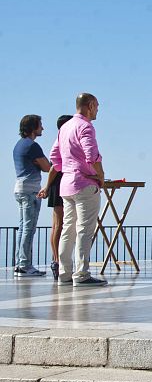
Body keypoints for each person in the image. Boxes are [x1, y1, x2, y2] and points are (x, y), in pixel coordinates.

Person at [49, 93, 106, 286]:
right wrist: (100, 175)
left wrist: (67, 168)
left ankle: (64, 273)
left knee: (68, 230)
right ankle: (81, 274)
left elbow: (55, 157)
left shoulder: (65, 127)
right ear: (89, 105)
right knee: (84, 230)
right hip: (84, 184)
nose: (98, 109)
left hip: (66, 184)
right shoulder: (85, 126)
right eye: (97, 106)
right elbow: (92, 155)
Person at [13, 114, 50, 276]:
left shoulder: (19, 145)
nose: (42, 128)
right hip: (30, 191)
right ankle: (25, 266)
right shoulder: (33, 146)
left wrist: (39, 164)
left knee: (23, 227)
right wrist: (42, 164)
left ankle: (20, 263)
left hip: (20, 188)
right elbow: (47, 167)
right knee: (29, 228)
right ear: (34, 127)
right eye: (40, 125)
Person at [38, 115, 74, 278]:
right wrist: (46, 187)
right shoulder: (63, 141)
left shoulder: (61, 140)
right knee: (59, 224)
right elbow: (54, 167)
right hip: (59, 183)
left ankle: (57, 260)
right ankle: (57, 261)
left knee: (57, 224)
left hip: (59, 183)